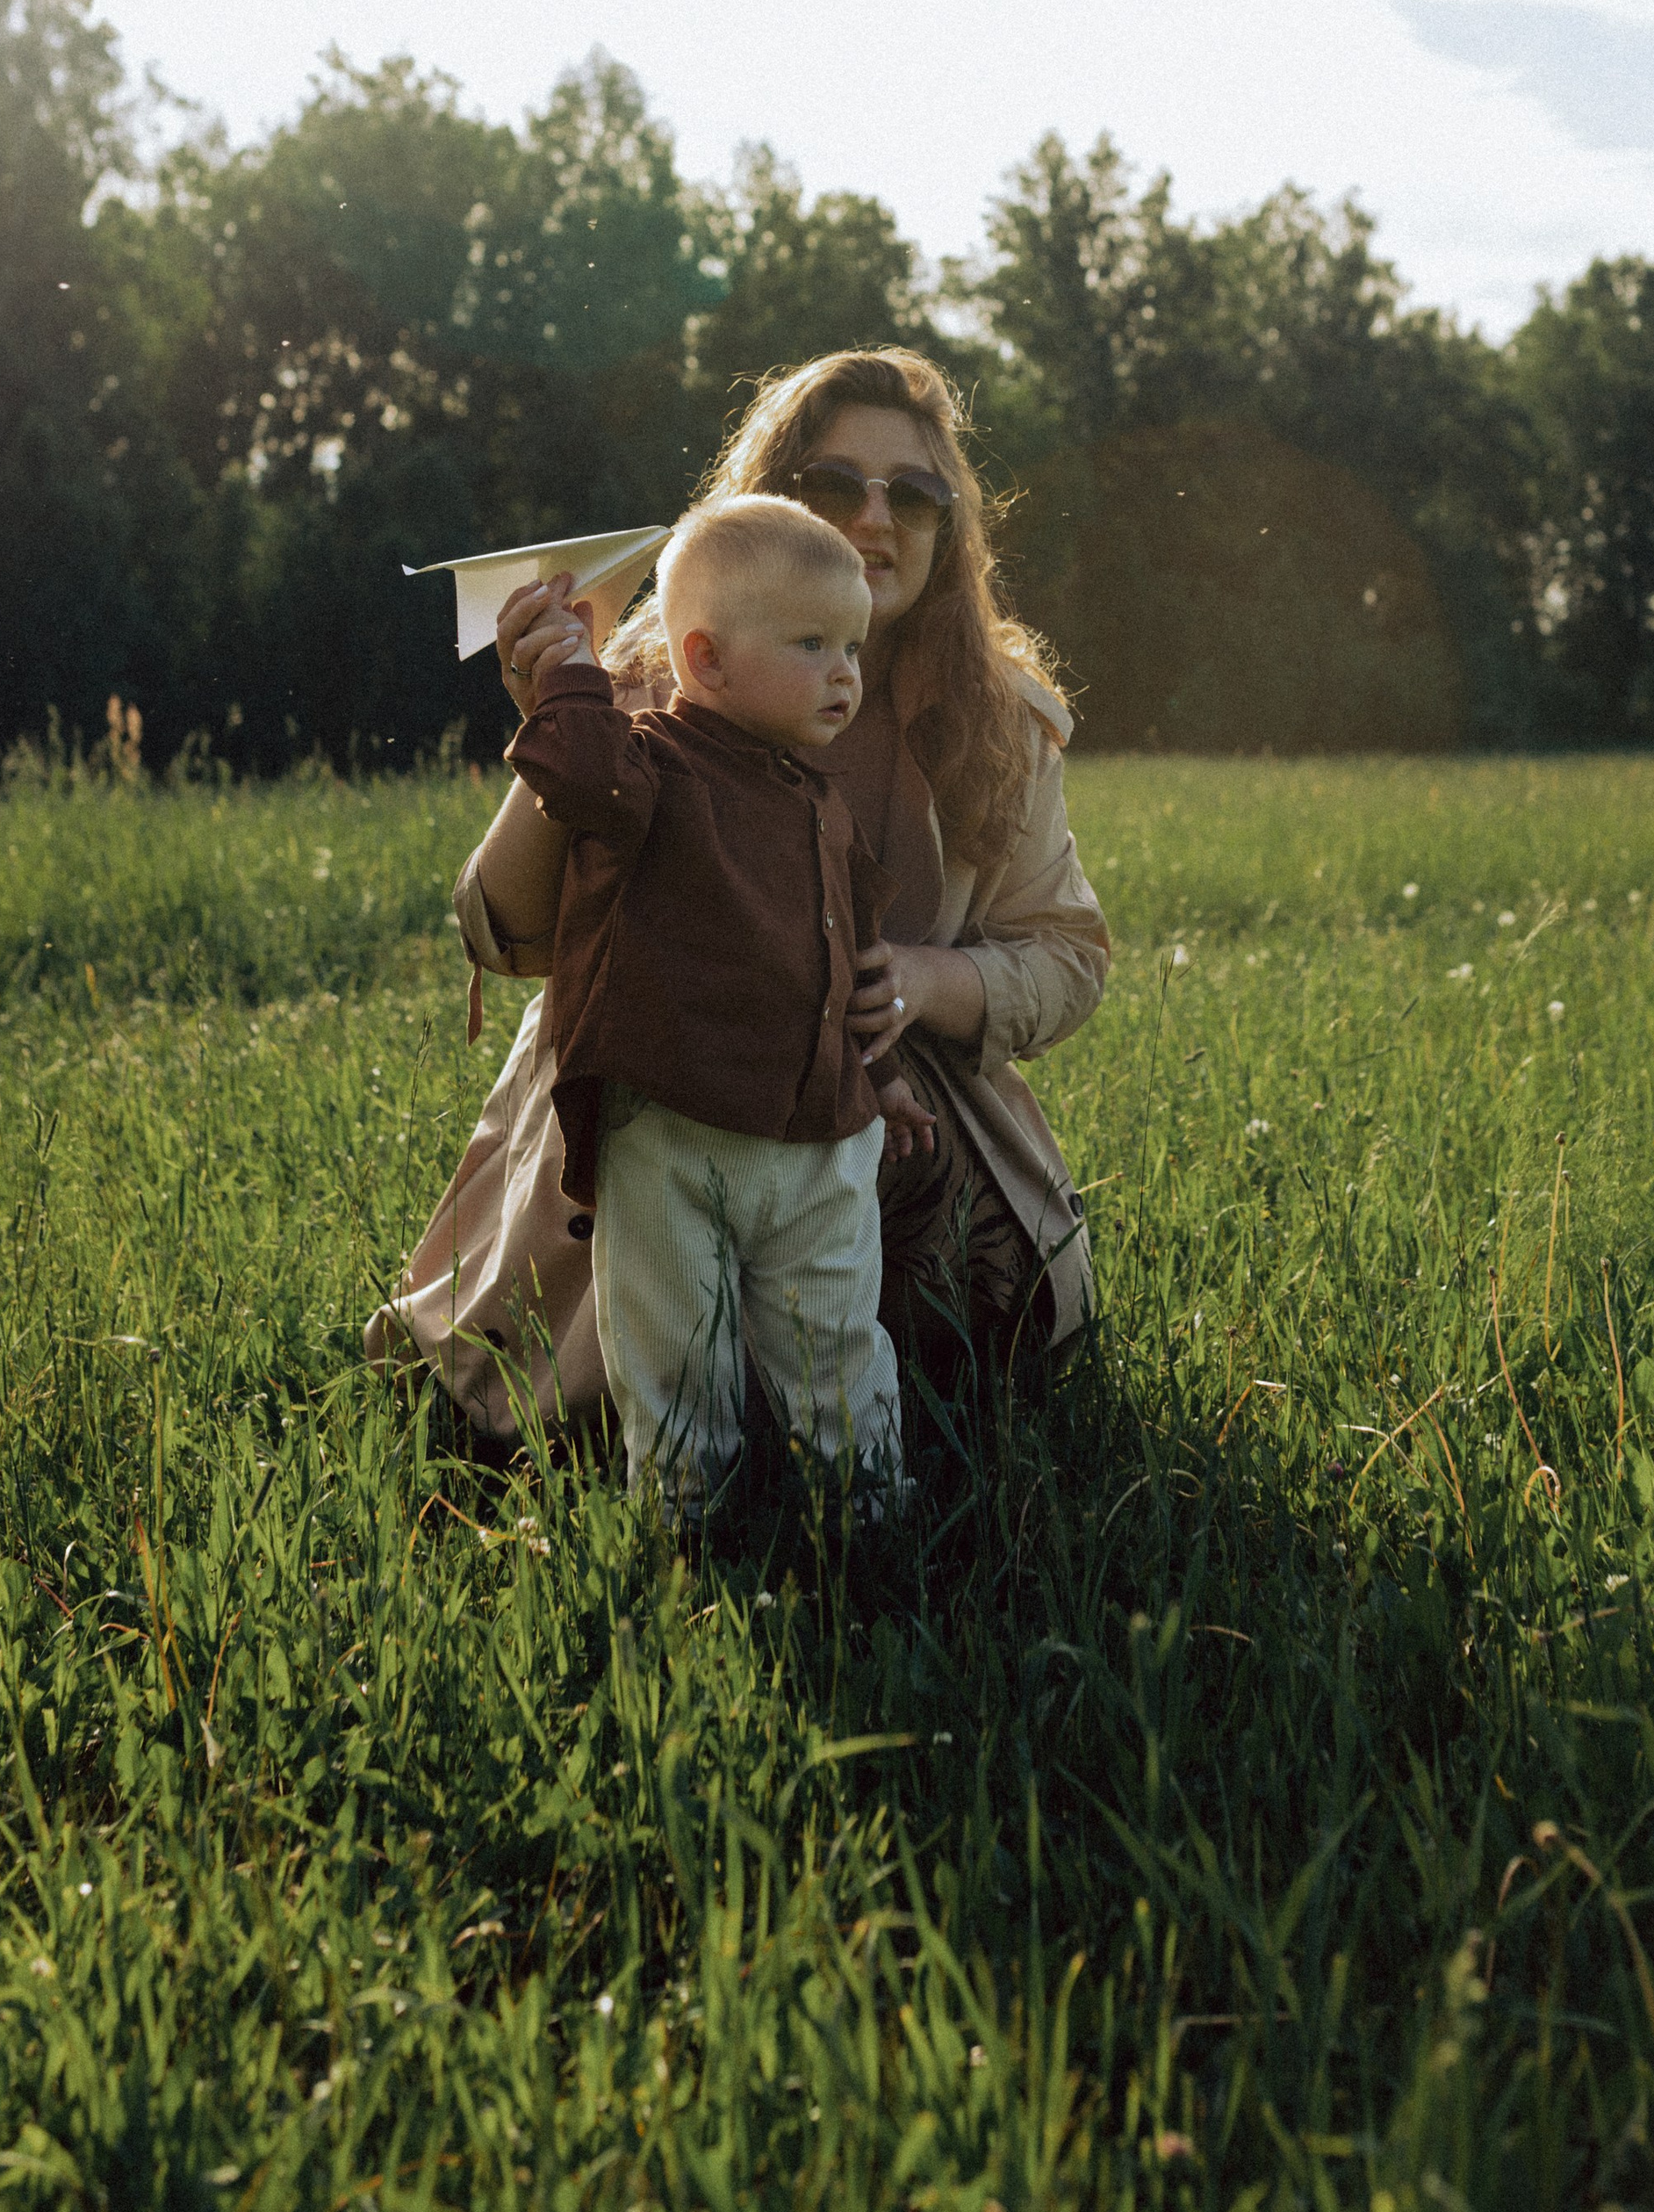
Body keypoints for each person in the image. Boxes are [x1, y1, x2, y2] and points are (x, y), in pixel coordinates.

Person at [366, 348, 1110, 1456]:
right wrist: (556, 730)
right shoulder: (660, 674)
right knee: (614, 1396)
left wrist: (924, 981)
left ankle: (863, 1473)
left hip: (889, 1108)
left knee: (939, 1379)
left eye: (913, 493)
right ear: (766, 504)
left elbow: (1066, 956)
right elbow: (503, 934)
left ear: (946, 528)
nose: (874, 517)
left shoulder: (1002, 719)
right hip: (661, 1093)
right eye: (831, 486)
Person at [508, 495, 936, 1502]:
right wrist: (569, 668)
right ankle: (684, 1512)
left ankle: (865, 1502)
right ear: (704, 660)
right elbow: (571, 768)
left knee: (835, 1334)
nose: (844, 672)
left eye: (852, 647)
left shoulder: (816, 800)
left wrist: (887, 1076)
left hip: (818, 1135)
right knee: (672, 1346)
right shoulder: (648, 762)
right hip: (670, 1129)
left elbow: (844, 964)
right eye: (811, 643)